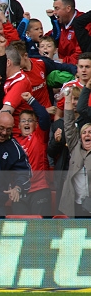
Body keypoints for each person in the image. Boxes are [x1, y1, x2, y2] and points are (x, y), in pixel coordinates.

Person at [12, 92, 52, 216]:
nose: (27, 123)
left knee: (39, 229)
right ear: (18, 125)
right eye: (23, 121)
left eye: (30, 121)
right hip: (19, 191)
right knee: (20, 229)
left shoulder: (38, 136)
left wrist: (31, 100)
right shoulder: (13, 142)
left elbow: (44, 116)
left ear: (36, 124)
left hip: (39, 189)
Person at [57, 88, 91, 217]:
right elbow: (69, 124)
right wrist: (67, 99)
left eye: (90, 132)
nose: (87, 134)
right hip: (74, 205)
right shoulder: (75, 147)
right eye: (84, 132)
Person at [48, 0, 91, 65]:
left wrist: (63, 61)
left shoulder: (84, 25)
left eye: (57, 8)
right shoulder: (60, 24)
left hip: (79, 68)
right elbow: (48, 39)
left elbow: (81, 53)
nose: (54, 12)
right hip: (64, 67)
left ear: (68, 8)